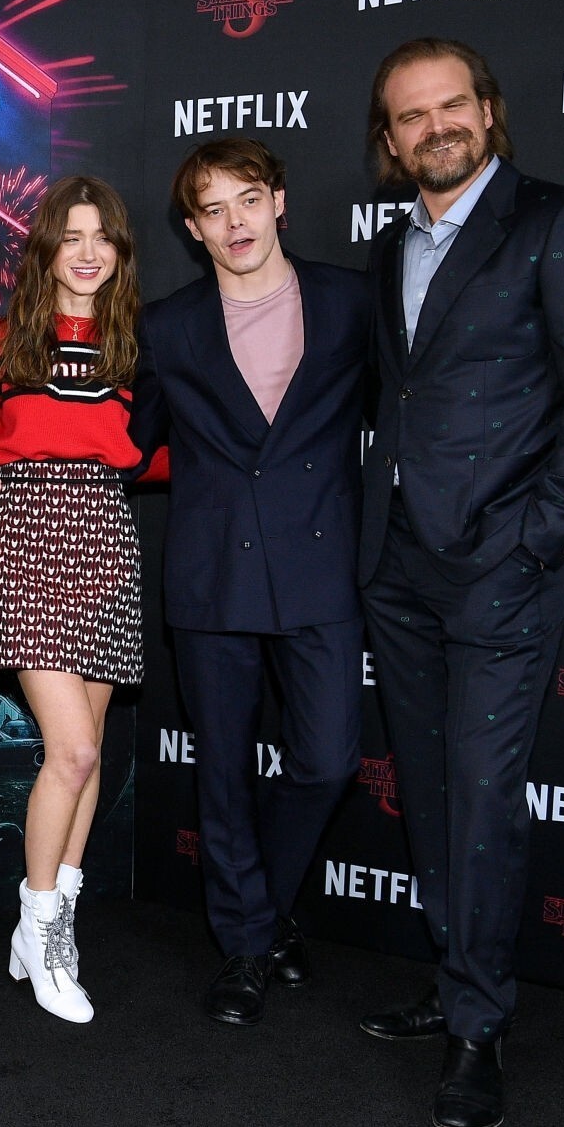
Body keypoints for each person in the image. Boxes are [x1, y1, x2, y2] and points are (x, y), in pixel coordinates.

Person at [357, 38, 564, 1127]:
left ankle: (478, 1026)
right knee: (430, 787)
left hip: (500, 570)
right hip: (397, 564)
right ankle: (451, 977)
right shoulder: (393, 247)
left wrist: (535, 538)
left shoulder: (559, 222)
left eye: (451, 105)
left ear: (487, 110)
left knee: (480, 797)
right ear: (390, 141)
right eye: (411, 115)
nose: (434, 126)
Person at [130, 139, 371, 1027]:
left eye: (248, 199)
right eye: (213, 209)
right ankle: (245, 945)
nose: (234, 221)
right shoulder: (167, 327)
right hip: (213, 570)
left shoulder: (351, 301)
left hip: (321, 567)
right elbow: (128, 444)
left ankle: (262, 913)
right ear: (193, 229)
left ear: (278, 202)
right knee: (224, 772)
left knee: (328, 758)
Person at [0, 176, 144, 1025]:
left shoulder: (132, 344)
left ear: (119, 251)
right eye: (71, 235)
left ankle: (56, 925)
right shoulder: (1, 339)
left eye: (101, 237)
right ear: (45, 248)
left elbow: (154, 450)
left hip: (106, 536)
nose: (86, 252)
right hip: (28, 535)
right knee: (71, 750)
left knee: (92, 748)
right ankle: (38, 923)